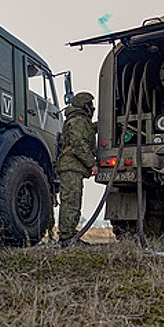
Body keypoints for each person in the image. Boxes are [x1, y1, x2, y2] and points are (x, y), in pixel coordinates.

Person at [57, 92, 98, 245]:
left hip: (73, 168)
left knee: (73, 201)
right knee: (71, 202)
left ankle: (70, 234)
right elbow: (78, 144)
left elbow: (86, 132)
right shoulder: (77, 121)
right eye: (91, 105)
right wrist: (91, 164)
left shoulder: (80, 121)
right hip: (70, 167)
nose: (93, 108)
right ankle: (67, 237)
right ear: (84, 105)